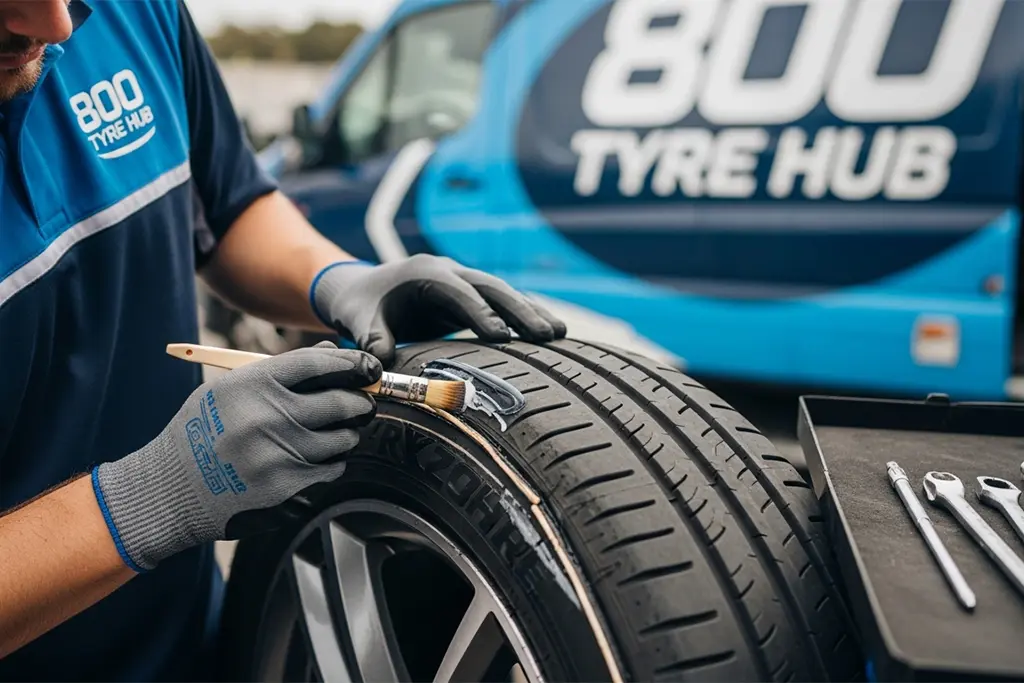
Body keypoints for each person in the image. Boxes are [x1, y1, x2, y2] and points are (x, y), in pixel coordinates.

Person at [0, 0, 566, 679]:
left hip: (199, 642)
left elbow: (228, 205)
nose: (57, 28)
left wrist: (338, 279)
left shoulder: (135, 10)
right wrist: (149, 498)